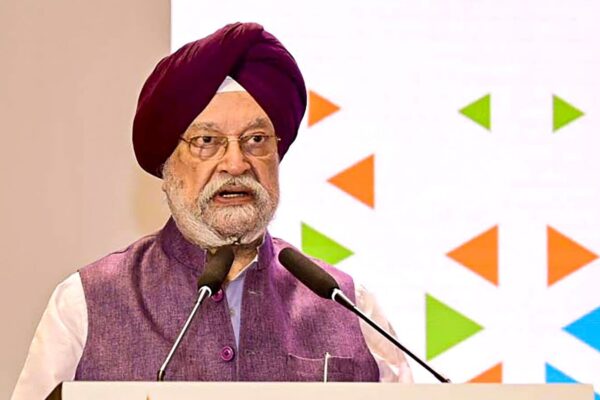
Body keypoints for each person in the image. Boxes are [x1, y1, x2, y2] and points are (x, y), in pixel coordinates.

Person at [11, 22, 412, 399]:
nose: (236, 164)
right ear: (168, 165)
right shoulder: (85, 303)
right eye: (207, 141)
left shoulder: (347, 304)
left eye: (256, 139)